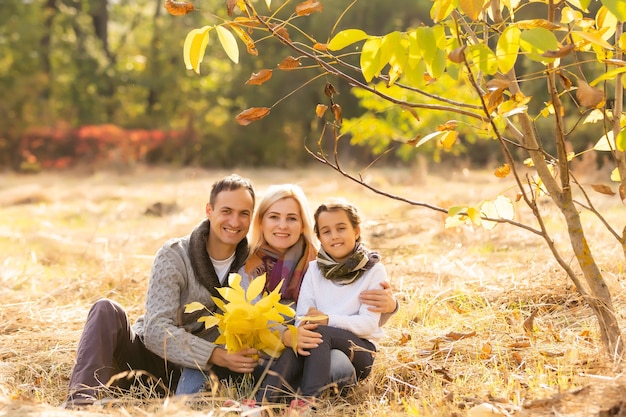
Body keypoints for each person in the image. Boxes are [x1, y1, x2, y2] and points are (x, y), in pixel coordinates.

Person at [175, 184, 398, 398]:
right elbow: (250, 319)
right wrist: (286, 335)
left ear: (303, 224)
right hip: (272, 353)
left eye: (291, 218)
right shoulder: (247, 265)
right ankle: (289, 394)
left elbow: (352, 305)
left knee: (337, 363)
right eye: (274, 217)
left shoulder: (321, 261)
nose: (282, 225)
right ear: (261, 221)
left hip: (317, 349)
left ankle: (302, 393)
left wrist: (390, 307)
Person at [63, 174, 262, 408]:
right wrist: (217, 354)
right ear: (209, 210)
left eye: (244, 213)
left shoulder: (253, 264)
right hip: (147, 359)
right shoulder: (175, 255)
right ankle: (79, 404)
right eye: (226, 211)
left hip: (197, 376)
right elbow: (156, 331)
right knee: (105, 309)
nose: (235, 221)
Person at [255, 198, 387, 410]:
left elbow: (369, 324)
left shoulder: (373, 270)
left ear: (356, 230)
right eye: (326, 231)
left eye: (341, 228)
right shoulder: (314, 270)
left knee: (320, 331)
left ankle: (307, 402)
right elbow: (303, 318)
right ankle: (261, 403)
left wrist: (327, 320)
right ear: (319, 238)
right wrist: (305, 328)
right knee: (304, 338)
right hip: (319, 346)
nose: (334, 235)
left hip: (359, 351)